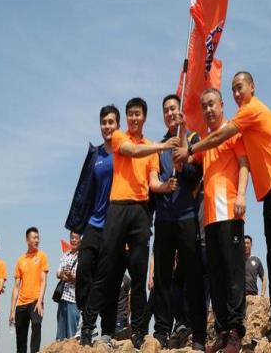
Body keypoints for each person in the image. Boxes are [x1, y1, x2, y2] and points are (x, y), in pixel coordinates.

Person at [174, 71, 271, 337]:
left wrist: (191, 149)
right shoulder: (243, 118)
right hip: (268, 192)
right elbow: (192, 161)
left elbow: (223, 139)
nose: (236, 93)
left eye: (239, 87)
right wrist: (185, 136)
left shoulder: (250, 110)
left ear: (252, 87)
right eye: (233, 89)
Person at [80, 97, 179, 348]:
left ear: (144, 117)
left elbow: (153, 182)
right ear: (126, 118)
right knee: (105, 270)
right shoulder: (119, 137)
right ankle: (88, 326)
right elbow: (133, 152)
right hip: (117, 208)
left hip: (140, 212)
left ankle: (138, 331)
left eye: (138, 114)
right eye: (130, 114)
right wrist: (162, 145)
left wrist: (165, 186)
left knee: (138, 273)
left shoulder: (151, 148)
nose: (134, 118)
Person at [182, 88, 249, 353]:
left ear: (222, 105)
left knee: (233, 275)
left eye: (212, 104)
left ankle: (235, 332)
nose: (209, 109)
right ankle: (222, 332)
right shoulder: (206, 141)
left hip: (231, 213)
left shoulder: (232, 132)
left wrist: (241, 194)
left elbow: (244, 164)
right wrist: (181, 133)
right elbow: (188, 158)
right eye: (204, 106)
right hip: (209, 219)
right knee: (217, 276)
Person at [152, 94, 206, 350]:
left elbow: (197, 175)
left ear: (181, 111)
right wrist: (164, 186)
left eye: (174, 108)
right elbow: (152, 182)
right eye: (166, 110)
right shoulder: (159, 146)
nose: (170, 113)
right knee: (162, 278)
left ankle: (198, 333)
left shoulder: (194, 139)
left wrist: (183, 163)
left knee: (193, 276)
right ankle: (161, 331)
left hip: (186, 218)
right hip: (163, 219)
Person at [67, 105, 120, 341]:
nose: (107, 126)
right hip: (94, 223)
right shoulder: (95, 154)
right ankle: (87, 316)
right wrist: (77, 221)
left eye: (111, 122)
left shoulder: (123, 151)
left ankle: (105, 329)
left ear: (118, 125)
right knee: (84, 272)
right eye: (104, 122)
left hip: (115, 225)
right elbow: (84, 189)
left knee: (109, 277)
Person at [10, 227, 49, 353]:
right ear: (27, 240)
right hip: (21, 304)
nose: (37, 240)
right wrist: (12, 310)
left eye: (38, 238)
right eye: (34, 238)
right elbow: (16, 286)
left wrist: (40, 301)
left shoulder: (42, 256)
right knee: (20, 339)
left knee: (36, 326)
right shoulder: (20, 260)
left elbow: (43, 281)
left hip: (36, 301)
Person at [55, 232, 80, 340]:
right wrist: (62, 274)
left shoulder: (83, 256)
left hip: (74, 299)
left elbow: (84, 277)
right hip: (62, 297)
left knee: (71, 333)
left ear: (80, 240)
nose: (73, 240)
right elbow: (58, 273)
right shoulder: (65, 255)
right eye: (72, 238)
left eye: (76, 238)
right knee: (60, 334)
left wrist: (71, 277)